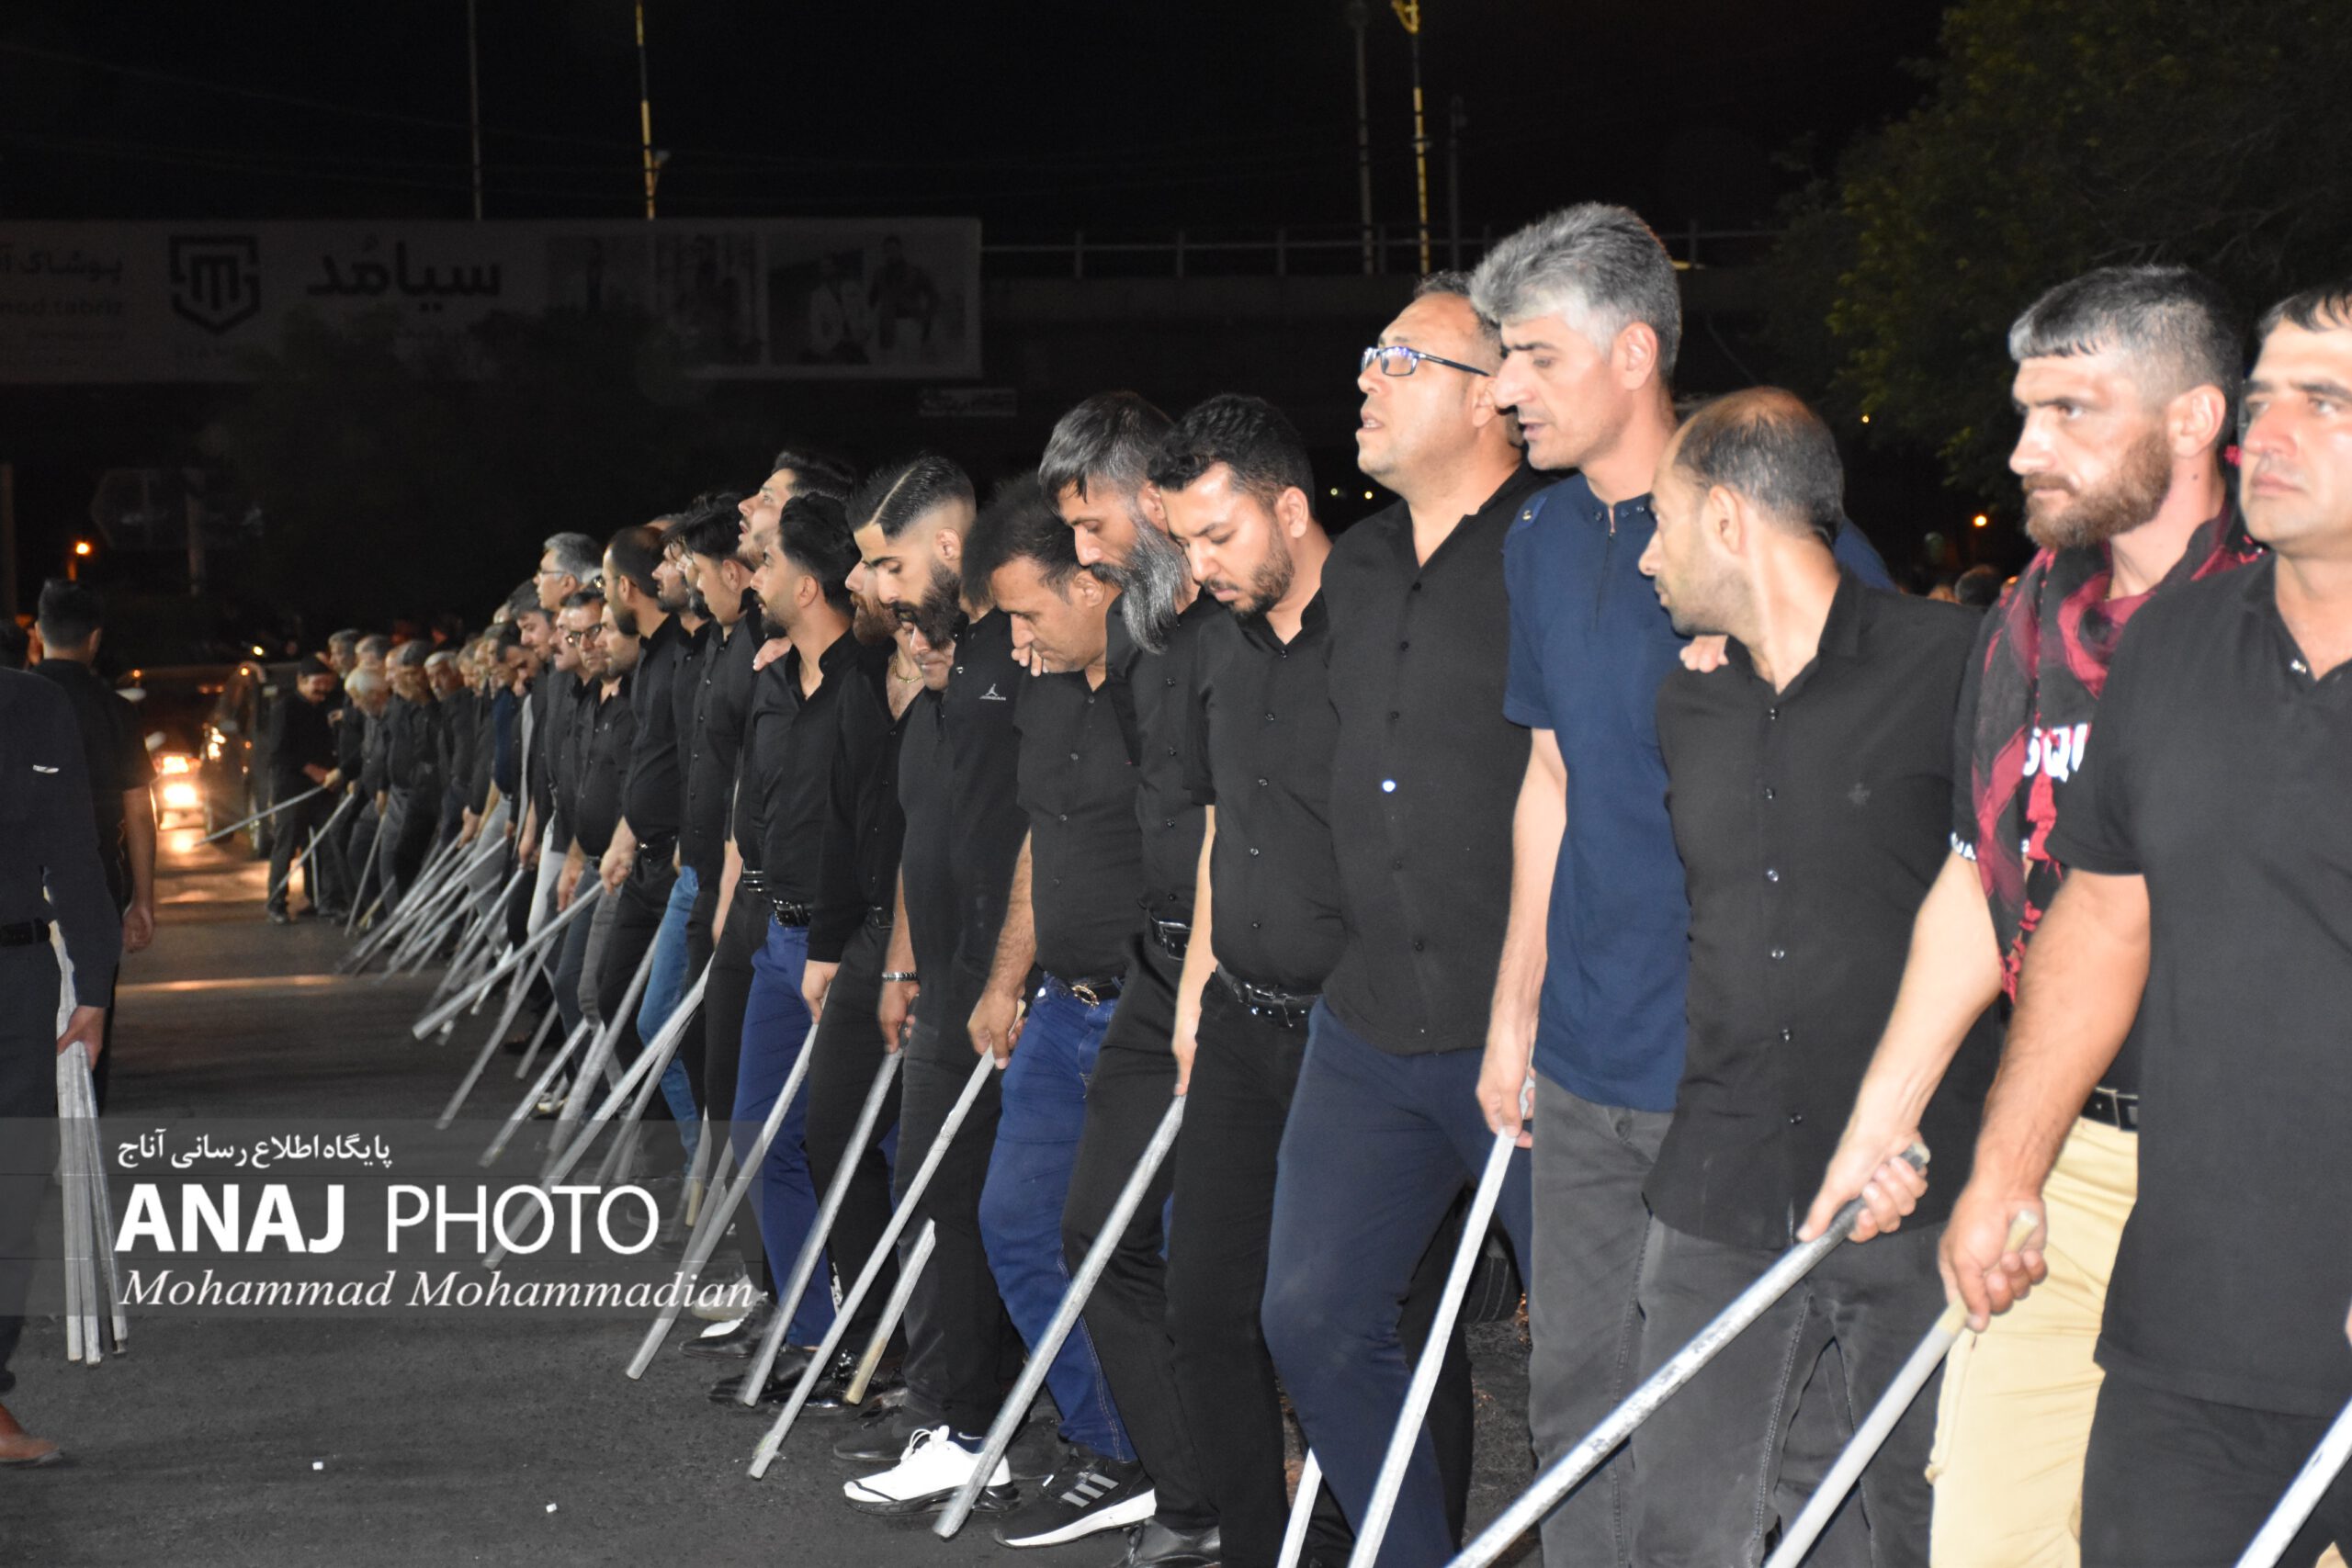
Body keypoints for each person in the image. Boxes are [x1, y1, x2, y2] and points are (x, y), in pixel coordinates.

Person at [1800, 265, 2258, 1568]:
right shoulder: (2031, 617)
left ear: (2193, 419)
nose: (2023, 448)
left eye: (2070, 410)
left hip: (2261, 1168)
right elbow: (1979, 875)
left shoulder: (2288, 610)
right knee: (1990, 1534)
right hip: (2070, 1151)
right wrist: (1882, 1118)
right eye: (2024, 411)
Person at [1469, 205, 1888, 1564]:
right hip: (1585, 1059)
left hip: (1737, 1072)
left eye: (1533, 355)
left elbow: (1877, 815)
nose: (1506, 388)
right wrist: (1515, 1012)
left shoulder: (1772, 533)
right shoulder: (1537, 537)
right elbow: (1551, 779)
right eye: (1502, 357)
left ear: (1634, 352)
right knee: (1575, 1405)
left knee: (1763, 1436)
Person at [1935, 281, 2352, 1567]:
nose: (2270, 432)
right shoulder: (2171, 644)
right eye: (2265, 398)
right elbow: (2100, 917)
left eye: (2326, 401)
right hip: (2190, 1325)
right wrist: (2007, 1170)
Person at [1630, 388, 1996, 1564]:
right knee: (1677, 1535)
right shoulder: (1687, 696)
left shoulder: (1954, 667)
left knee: (1923, 1536)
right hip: (1723, 1185)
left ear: (1725, 519)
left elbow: (2022, 918)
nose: (1646, 557)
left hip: (1918, 1192)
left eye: (1659, 522)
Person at [1042, 390, 1230, 1568]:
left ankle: (1243, 1503)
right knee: (1098, 1233)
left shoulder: (1232, 627)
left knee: (1243, 1274)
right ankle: (1194, 1492)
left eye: (1093, 520)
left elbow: (1227, 821)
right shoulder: (1135, 636)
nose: (1084, 549)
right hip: (1153, 966)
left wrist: (1204, 969)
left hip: (1235, 970)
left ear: (1152, 500)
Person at [960, 476, 1153, 1549]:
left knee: (1135, 1251)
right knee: (1017, 1224)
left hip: (1147, 1019)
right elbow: (1044, 837)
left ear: (1091, 585)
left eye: (1027, 614)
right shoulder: (1043, 691)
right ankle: (1108, 1440)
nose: (1015, 642)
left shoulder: (1158, 685)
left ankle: (1177, 1462)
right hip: (1057, 1008)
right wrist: (1005, 979)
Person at [837, 454, 1027, 1516]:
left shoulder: (1021, 649)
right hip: (948, 979)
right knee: (937, 1193)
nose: (875, 587)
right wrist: (905, 963)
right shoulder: (941, 670)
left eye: (889, 564)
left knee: (983, 1206)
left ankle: (976, 1425)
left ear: (950, 548)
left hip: (1009, 985)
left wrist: (1012, 973)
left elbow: (1045, 825)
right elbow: (931, 838)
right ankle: (957, 1417)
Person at [705, 492, 865, 1404]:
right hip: (773, 931)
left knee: (840, 1141)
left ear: (806, 585)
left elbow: (871, 826)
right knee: (758, 1135)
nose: (751, 577)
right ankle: (806, 1334)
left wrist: (840, 940)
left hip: (838, 945)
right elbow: (753, 806)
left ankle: (867, 1342)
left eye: (765, 563)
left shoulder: (867, 684)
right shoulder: (770, 681)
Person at [0, 666, 120, 1467]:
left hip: (14, 977)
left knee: (12, 1190)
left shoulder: (31, 703)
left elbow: (75, 846)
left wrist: (95, 981)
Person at [31, 578, 155, 1111]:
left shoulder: (16, 702)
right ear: (95, 638)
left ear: (38, 634)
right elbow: (140, 812)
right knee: (92, 1010)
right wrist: (143, 899)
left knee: (25, 1011)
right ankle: (83, 1126)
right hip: (98, 881)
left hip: (23, 885)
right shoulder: (116, 710)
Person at [265, 666, 343, 922]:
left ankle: (326, 901)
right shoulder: (285, 708)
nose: (323, 689)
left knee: (329, 844)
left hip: (324, 789)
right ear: (301, 680)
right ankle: (276, 903)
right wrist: (313, 771)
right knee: (286, 847)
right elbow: (278, 752)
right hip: (292, 789)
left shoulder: (326, 706)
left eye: (327, 683)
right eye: (317, 683)